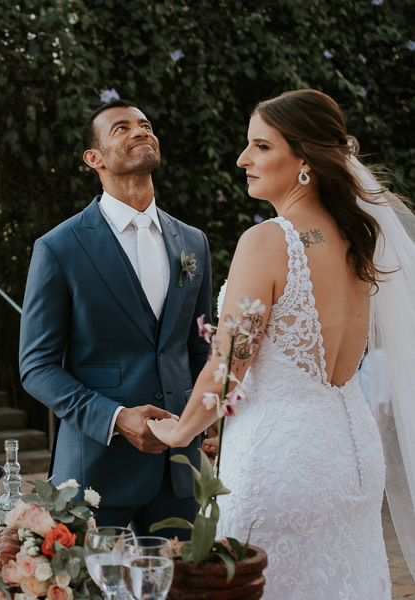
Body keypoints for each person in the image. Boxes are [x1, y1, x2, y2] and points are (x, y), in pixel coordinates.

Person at [149, 89, 415, 598]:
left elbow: (229, 366)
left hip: (282, 461)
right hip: (353, 453)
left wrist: (180, 431)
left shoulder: (268, 240)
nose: (242, 159)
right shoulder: (359, 237)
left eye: (260, 146)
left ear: (305, 161)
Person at [19, 99, 213, 535]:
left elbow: (200, 348)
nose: (141, 131)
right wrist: (114, 418)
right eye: (122, 128)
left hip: (180, 470)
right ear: (94, 158)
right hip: (95, 472)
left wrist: (204, 417)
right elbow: (36, 367)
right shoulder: (60, 247)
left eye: (145, 124)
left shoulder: (193, 243)